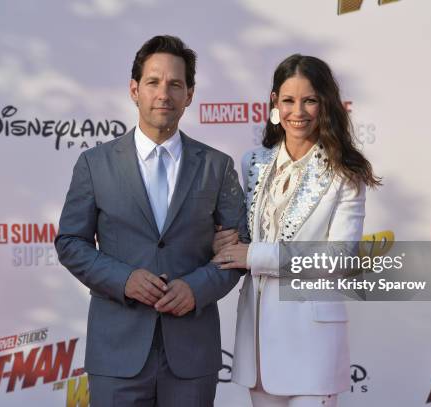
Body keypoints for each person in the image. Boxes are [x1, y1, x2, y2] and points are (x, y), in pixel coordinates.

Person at [55, 35, 247, 407]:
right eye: (154, 82)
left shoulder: (217, 167)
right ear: (134, 89)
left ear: (190, 94)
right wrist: (124, 279)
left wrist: (197, 287)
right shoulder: (95, 165)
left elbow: (237, 252)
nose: (164, 93)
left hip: (191, 354)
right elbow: (70, 243)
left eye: (176, 84)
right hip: (116, 354)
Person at [212, 54, 381, 407]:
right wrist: (225, 241)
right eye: (288, 100)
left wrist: (255, 255)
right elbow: (247, 235)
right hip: (258, 342)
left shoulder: (344, 173)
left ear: (325, 104)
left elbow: (339, 257)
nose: (298, 111)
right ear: (274, 102)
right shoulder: (254, 161)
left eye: (310, 100)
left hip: (312, 343)